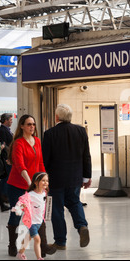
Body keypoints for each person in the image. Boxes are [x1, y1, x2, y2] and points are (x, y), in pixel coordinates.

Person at [42, 104, 92, 250]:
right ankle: (82, 226)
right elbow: (86, 156)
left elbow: (45, 159)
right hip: (75, 178)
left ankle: (60, 241)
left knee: (57, 209)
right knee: (75, 202)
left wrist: (44, 180)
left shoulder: (50, 134)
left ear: (57, 117)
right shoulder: (81, 131)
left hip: (56, 179)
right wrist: (86, 177)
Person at [6, 115, 54, 257]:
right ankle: (12, 245)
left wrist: (44, 181)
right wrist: (30, 183)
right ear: (21, 126)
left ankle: (43, 246)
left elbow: (40, 163)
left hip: (34, 185)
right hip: (17, 185)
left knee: (38, 215)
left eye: (33, 124)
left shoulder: (37, 141)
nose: (32, 127)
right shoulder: (18, 143)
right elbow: (20, 166)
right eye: (28, 124)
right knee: (16, 215)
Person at [12, 172, 49, 260]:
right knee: (37, 239)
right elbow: (20, 203)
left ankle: (20, 253)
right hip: (31, 222)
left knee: (27, 239)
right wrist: (21, 207)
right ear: (36, 182)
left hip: (39, 221)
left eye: (47, 181)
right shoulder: (30, 195)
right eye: (43, 180)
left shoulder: (44, 193)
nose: (45, 183)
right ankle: (39, 257)